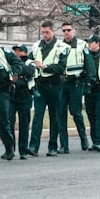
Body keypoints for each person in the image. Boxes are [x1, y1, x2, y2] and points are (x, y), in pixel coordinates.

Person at [29, 21, 69, 156]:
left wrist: (44, 67)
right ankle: (33, 146)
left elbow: (61, 67)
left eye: (47, 32)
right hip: (40, 85)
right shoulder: (36, 46)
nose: (45, 35)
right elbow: (28, 60)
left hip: (55, 85)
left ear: (53, 31)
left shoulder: (61, 47)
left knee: (55, 117)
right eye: (43, 32)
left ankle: (52, 146)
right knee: (37, 117)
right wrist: (32, 65)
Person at [57, 21, 91, 153]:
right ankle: (64, 145)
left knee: (76, 113)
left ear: (74, 30)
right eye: (64, 30)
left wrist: (87, 82)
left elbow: (89, 65)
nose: (66, 32)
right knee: (61, 114)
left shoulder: (82, 45)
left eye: (68, 30)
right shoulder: (58, 45)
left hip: (76, 82)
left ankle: (84, 139)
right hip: (62, 82)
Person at [9, 44, 37, 159]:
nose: (16, 52)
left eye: (19, 51)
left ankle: (23, 149)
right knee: (9, 123)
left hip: (25, 96)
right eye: (15, 50)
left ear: (25, 53)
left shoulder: (29, 62)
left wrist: (18, 63)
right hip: (12, 96)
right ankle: (9, 149)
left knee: (24, 124)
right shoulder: (10, 63)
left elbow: (30, 72)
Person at [85, 35, 100, 151]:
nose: (89, 44)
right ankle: (94, 141)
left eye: (91, 42)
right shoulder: (86, 56)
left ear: (98, 43)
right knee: (91, 117)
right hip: (89, 90)